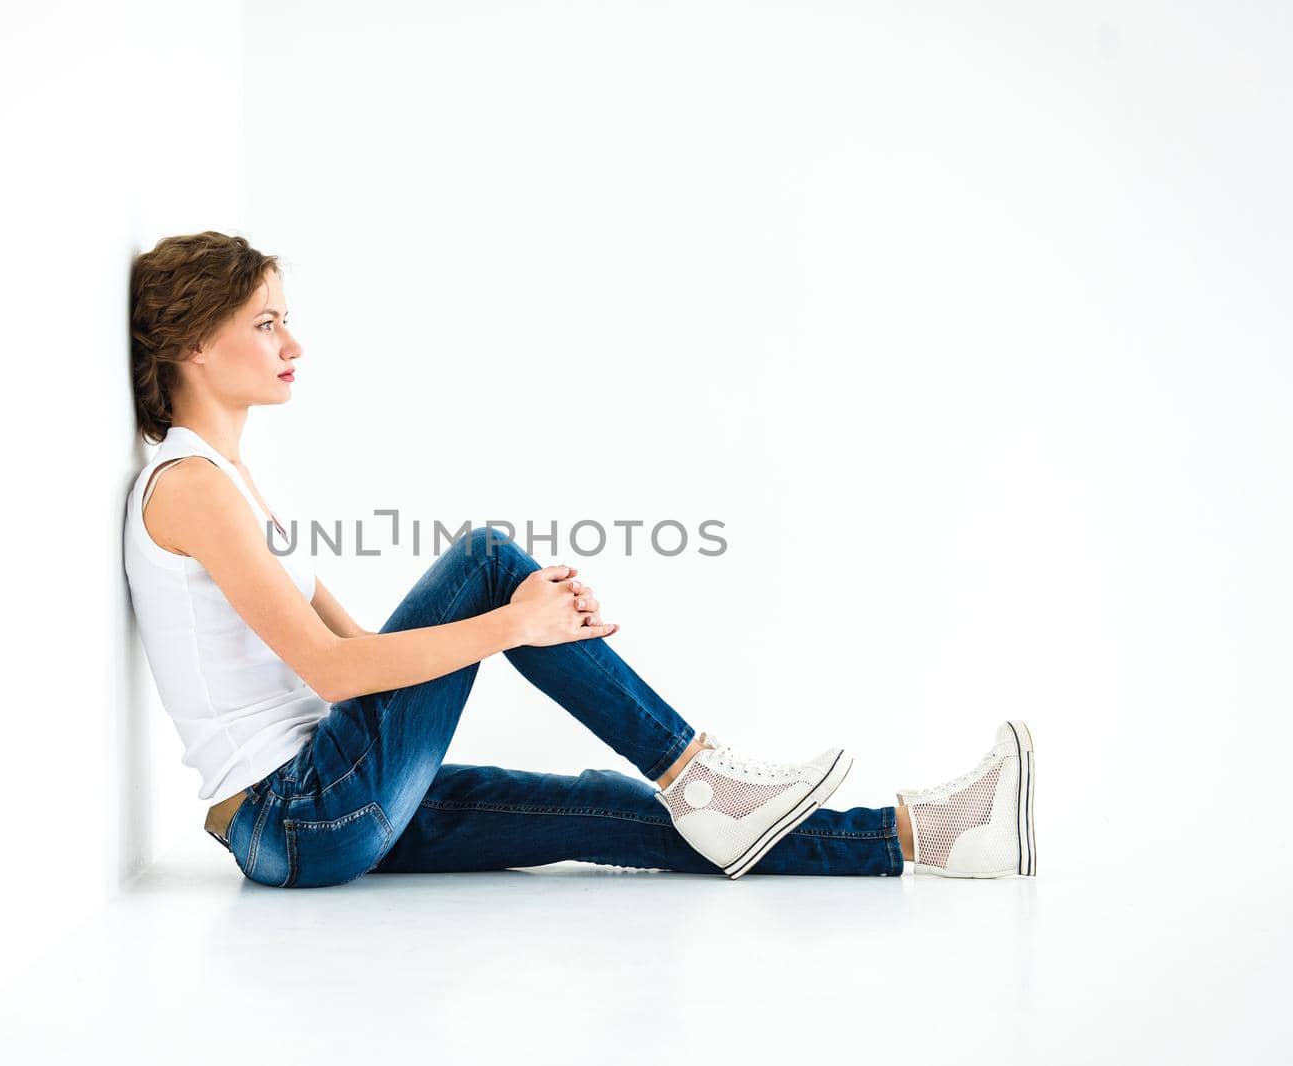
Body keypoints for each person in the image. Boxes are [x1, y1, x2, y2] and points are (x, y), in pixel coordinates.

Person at [124, 231, 1038, 889]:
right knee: (486, 561)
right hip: (299, 814)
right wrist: (516, 623)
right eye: (267, 323)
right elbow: (332, 667)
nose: (294, 345)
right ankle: (699, 770)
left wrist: (517, 631)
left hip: (326, 797)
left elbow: (362, 651)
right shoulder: (190, 484)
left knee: (602, 805)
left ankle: (930, 835)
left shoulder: (231, 480)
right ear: (196, 345)